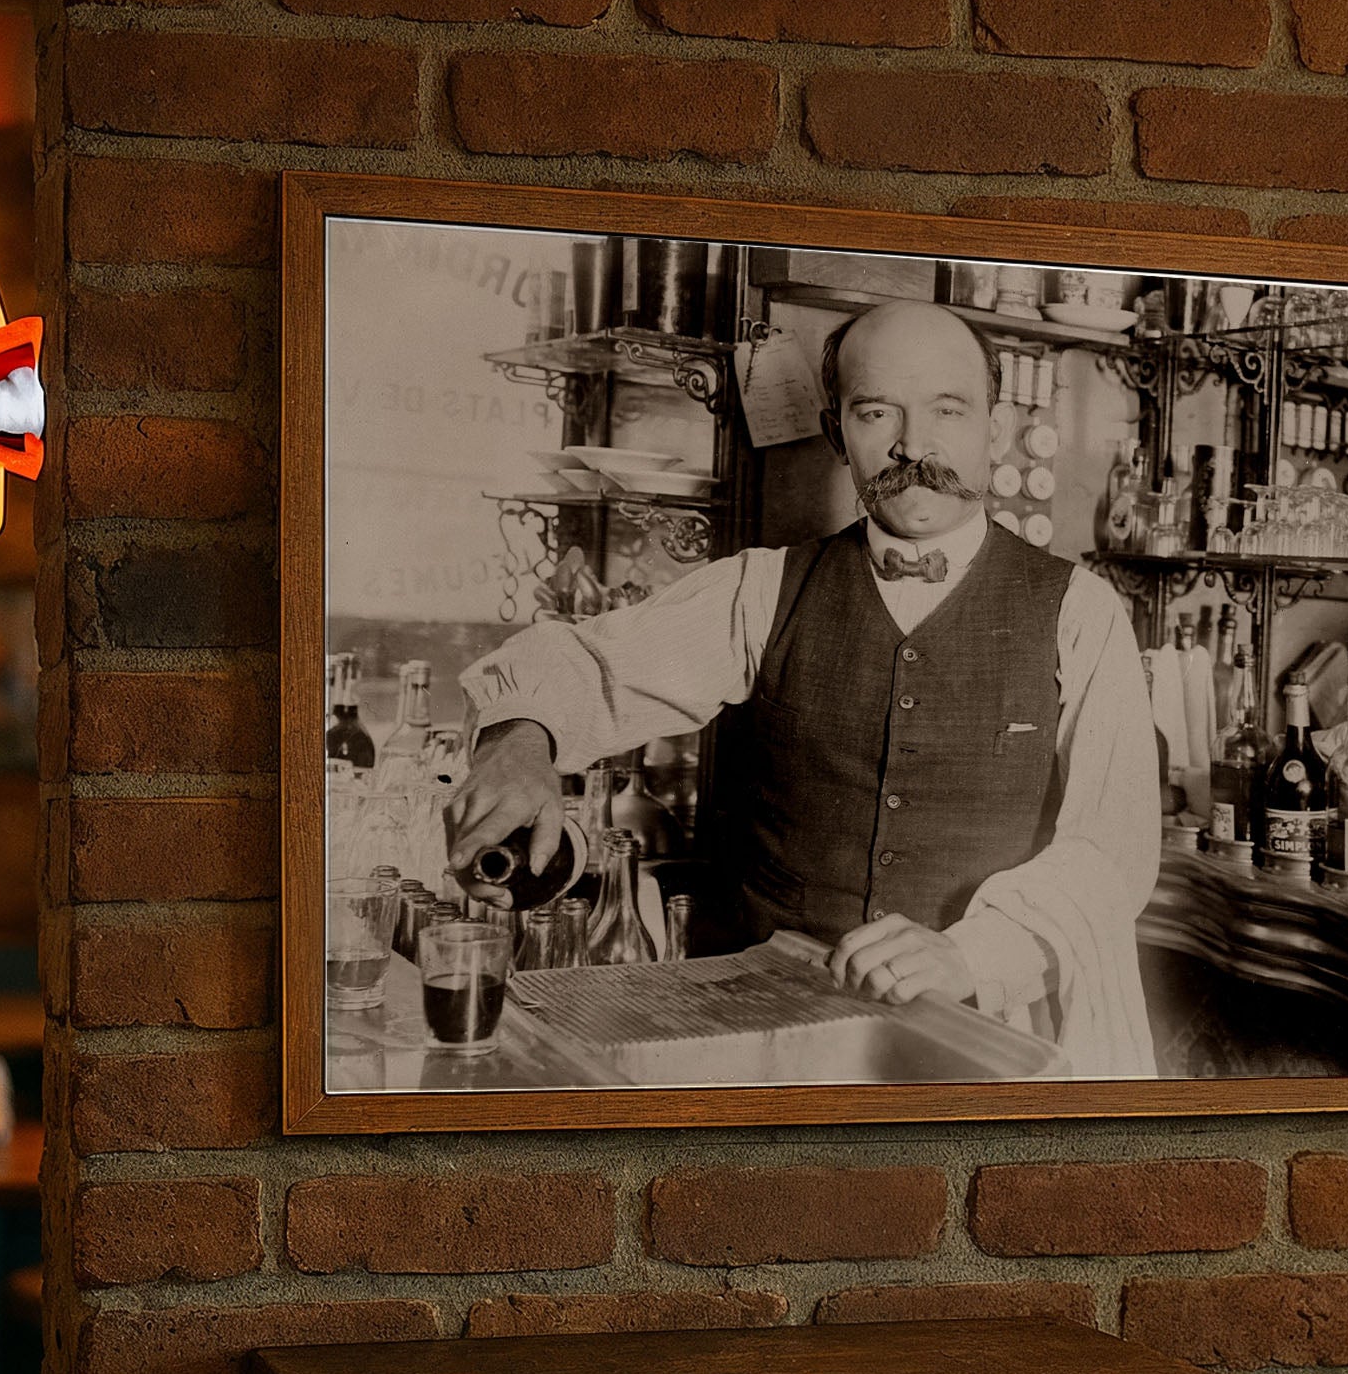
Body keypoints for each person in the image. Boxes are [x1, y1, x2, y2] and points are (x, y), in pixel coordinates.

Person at [444, 300, 1159, 1075]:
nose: (914, 445)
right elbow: (586, 665)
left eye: (947, 410)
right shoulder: (761, 588)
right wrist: (521, 740)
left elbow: (1111, 854)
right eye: (875, 411)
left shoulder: (1080, 611)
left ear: (995, 425)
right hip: (771, 1027)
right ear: (835, 434)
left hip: (977, 1027)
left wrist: (969, 954)